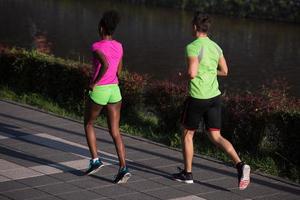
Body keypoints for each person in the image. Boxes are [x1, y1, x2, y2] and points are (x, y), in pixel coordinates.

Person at [172, 12, 250, 190]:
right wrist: (208, 71)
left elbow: (192, 73)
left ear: (194, 27)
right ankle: (240, 164)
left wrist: (183, 75)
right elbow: (224, 71)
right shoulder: (216, 46)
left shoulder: (192, 46)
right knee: (216, 136)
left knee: (187, 134)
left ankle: (188, 174)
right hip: (214, 97)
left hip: (198, 97)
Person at [84, 10, 131, 184]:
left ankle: (95, 161)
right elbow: (118, 70)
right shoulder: (119, 46)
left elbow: (104, 64)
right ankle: (123, 168)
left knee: (88, 123)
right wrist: (112, 78)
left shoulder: (96, 46)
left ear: (102, 27)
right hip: (114, 90)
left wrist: (93, 83)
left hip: (101, 90)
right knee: (115, 131)